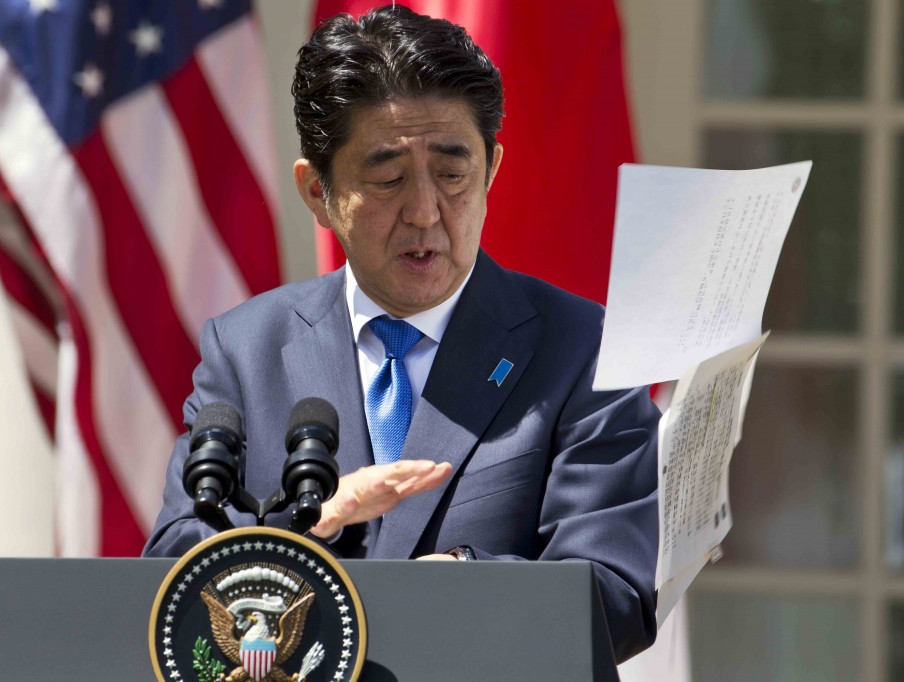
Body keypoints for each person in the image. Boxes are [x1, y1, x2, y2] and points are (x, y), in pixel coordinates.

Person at [144, 5, 659, 662]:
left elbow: (615, 595)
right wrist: (315, 521)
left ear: (493, 168)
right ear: (318, 193)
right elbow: (171, 566)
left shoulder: (584, 346)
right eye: (387, 179)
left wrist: (454, 587)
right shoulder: (247, 349)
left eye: (452, 173)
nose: (425, 211)